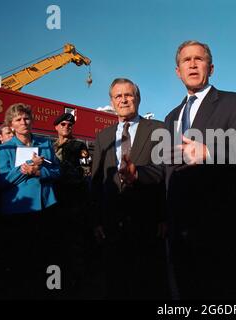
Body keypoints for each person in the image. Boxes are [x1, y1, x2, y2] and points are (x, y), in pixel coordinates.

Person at [163, 40, 236, 299]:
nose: (192, 64)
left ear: (211, 67)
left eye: (199, 59)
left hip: (215, 226)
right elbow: (170, 170)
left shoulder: (235, 102)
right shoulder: (171, 117)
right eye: (186, 60)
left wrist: (208, 151)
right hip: (179, 228)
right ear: (178, 71)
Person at [91, 78, 168, 299]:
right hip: (113, 223)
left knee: (150, 284)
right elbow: (96, 181)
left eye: (128, 94)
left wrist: (164, 216)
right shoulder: (103, 137)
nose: (123, 99)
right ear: (112, 102)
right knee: (117, 283)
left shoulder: (158, 129)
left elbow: (164, 173)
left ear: (138, 98)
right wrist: (96, 220)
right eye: (118, 96)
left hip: (149, 221)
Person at [0, 103, 60, 298]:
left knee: (46, 255)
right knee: (21, 258)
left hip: (46, 207)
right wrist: (27, 167)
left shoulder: (45, 143)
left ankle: (48, 290)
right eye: (18, 120)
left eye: (26, 118)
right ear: (11, 125)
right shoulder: (5, 149)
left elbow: (58, 172)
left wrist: (40, 171)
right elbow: (2, 181)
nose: (23, 122)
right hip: (19, 211)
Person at [52, 112, 92, 297]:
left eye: (69, 125)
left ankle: (78, 282)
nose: (66, 127)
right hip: (54, 199)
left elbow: (86, 170)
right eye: (63, 124)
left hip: (73, 199)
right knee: (57, 241)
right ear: (56, 127)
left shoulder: (79, 145)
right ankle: (57, 280)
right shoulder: (50, 146)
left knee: (75, 242)